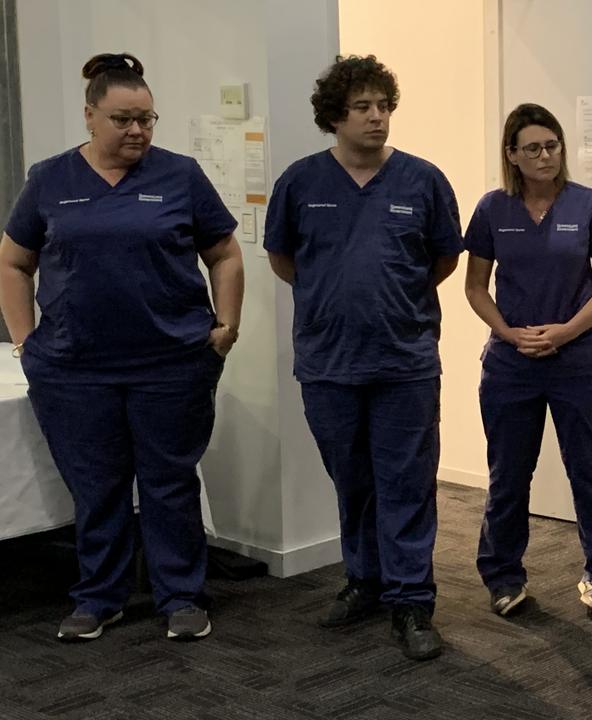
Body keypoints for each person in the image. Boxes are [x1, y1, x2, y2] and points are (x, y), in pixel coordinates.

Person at [0, 52, 244, 642]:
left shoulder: (180, 175)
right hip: (74, 368)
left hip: (172, 363)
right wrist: (25, 339)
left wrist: (226, 325)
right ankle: (99, 597)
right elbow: (13, 261)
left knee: (169, 482)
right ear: (90, 116)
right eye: (122, 119)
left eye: (146, 119)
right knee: (97, 485)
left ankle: (180, 596)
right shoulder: (50, 179)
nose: (137, 130)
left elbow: (226, 253)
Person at [264, 55, 462, 661]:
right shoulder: (300, 183)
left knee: (406, 482)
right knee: (351, 480)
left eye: (384, 106)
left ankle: (411, 600)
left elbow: (443, 261)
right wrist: (334, 300)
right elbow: (282, 260)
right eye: (363, 108)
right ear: (335, 117)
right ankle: (364, 580)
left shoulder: (423, 181)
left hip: (404, 361)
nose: (377, 118)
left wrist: (389, 300)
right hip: (328, 362)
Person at [463, 103, 592, 618]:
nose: (545, 156)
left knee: (590, 473)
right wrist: (508, 333)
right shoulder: (493, 209)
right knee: (508, 475)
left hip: (579, 361)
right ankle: (503, 576)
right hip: (512, 365)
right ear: (511, 155)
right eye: (532, 148)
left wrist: (566, 331)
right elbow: (474, 286)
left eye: (552, 145)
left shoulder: (588, 205)